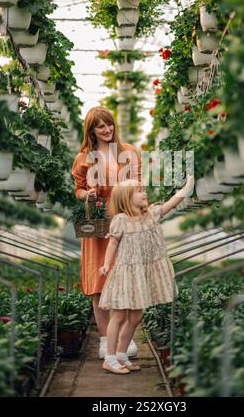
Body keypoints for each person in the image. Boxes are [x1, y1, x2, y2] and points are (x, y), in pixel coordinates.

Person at [98, 175, 195, 374]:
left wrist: (187, 188)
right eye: (139, 191)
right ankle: (109, 358)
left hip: (140, 275)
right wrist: (106, 264)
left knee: (136, 317)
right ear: (126, 198)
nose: (144, 193)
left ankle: (121, 355)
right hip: (126, 273)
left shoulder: (151, 214)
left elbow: (172, 203)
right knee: (117, 316)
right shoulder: (120, 220)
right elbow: (113, 243)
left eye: (143, 190)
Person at [71, 106, 142, 359]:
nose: (106, 129)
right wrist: (86, 194)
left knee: (126, 278)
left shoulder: (130, 153)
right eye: (100, 126)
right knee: (100, 283)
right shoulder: (84, 158)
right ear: (91, 130)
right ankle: (104, 340)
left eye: (109, 124)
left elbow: (139, 186)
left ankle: (123, 339)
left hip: (124, 222)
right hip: (99, 224)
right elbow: (78, 189)